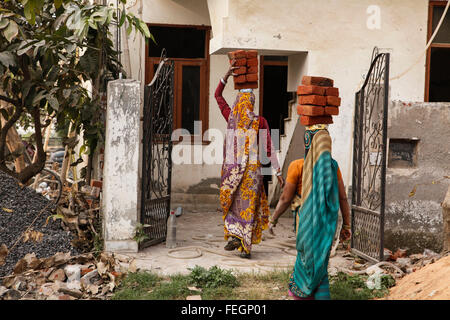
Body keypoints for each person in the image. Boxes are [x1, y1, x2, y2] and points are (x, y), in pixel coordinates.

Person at [269, 125, 351, 299]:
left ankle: (300, 294)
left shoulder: (298, 166)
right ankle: (320, 294)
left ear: (308, 143)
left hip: (305, 221)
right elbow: (343, 198)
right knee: (321, 259)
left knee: (306, 257)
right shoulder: (333, 166)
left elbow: (285, 198)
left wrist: (273, 219)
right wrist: (346, 224)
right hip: (327, 224)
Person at [215, 61, 285, 259]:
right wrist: (278, 172)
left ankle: (238, 238)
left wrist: (226, 76)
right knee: (248, 208)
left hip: (234, 174)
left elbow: (218, 96)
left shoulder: (231, 117)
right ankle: (243, 244)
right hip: (253, 175)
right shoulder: (259, 121)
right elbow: (269, 149)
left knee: (236, 205)